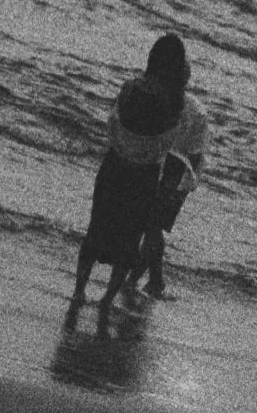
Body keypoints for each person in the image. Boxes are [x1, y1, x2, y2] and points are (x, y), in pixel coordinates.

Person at [66, 67, 177, 331]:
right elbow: (165, 145)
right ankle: (106, 299)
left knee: (97, 227)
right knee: (129, 240)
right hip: (145, 178)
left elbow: (112, 125)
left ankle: (79, 291)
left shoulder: (129, 90)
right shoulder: (168, 107)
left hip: (115, 165)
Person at [136, 32, 209, 298]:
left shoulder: (154, 96)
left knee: (150, 225)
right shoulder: (192, 108)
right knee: (153, 226)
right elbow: (196, 154)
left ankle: (153, 280)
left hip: (168, 170)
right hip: (180, 173)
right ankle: (145, 280)